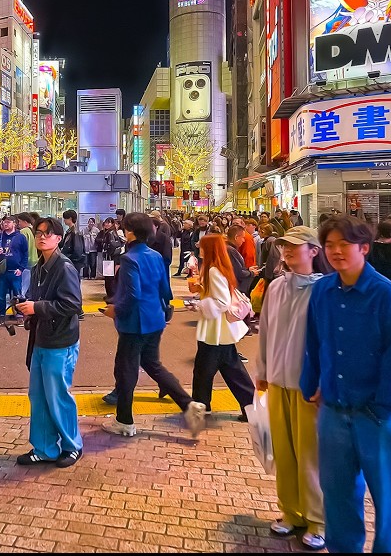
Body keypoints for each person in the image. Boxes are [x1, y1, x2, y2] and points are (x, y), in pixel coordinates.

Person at [300, 216, 391, 553]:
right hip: (333, 409)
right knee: (337, 491)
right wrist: (313, 384)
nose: (335, 252)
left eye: (343, 245)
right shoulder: (322, 290)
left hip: (374, 414)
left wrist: (383, 407)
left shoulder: (386, 295)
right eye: (329, 245)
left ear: (364, 248)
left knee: (388, 493)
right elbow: (314, 342)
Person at [253, 226, 330, 550]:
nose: (286, 251)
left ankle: (318, 519)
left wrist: (325, 382)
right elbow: (266, 331)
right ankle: (290, 512)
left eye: (295, 247)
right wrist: (262, 371)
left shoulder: (325, 290)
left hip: (308, 386)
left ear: (313, 251)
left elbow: (329, 341)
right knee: (283, 451)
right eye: (285, 246)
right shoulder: (277, 287)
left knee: (311, 455)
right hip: (279, 382)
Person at [102, 213, 206, 439]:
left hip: (134, 323)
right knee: (152, 364)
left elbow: (131, 295)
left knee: (126, 369)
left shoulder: (130, 259)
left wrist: (115, 309)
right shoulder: (156, 256)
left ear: (129, 232)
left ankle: (124, 421)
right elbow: (165, 290)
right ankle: (189, 405)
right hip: (155, 318)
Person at [13, 217, 84, 468]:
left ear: (58, 238)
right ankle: (44, 448)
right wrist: (29, 310)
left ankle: (71, 446)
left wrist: (37, 307)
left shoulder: (63, 267)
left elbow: (74, 304)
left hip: (60, 341)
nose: (42, 237)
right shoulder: (39, 267)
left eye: (48, 233)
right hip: (41, 339)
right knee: (39, 395)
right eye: (39, 232)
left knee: (57, 396)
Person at [190, 234, 256, 419]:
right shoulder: (217, 268)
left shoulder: (213, 270)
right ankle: (249, 408)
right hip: (218, 331)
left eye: (202, 247)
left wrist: (199, 305)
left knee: (207, 371)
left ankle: (202, 407)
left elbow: (221, 301)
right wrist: (202, 291)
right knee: (227, 369)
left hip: (216, 330)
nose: (199, 249)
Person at [0, 215, 28, 325]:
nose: (5, 224)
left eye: (8, 222)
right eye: (4, 222)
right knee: (1, 295)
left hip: (15, 271)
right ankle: (1, 315)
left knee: (18, 294)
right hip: (3, 271)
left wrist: (21, 268)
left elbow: (25, 253)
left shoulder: (21, 237)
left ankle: (19, 315)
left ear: (14, 223)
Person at [58, 210, 86, 277]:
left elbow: (77, 250)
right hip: (71, 260)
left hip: (74, 262)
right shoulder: (70, 231)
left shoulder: (75, 232)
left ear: (70, 218)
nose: (64, 220)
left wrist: (69, 257)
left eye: (65, 218)